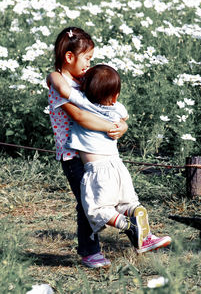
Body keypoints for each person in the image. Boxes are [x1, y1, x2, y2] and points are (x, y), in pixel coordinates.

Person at [48, 64, 172, 255]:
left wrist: (52, 76)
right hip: (118, 166)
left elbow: (62, 88)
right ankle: (142, 228)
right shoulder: (118, 109)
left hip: (97, 169)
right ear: (115, 96)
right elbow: (124, 119)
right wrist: (123, 126)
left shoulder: (83, 103)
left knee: (96, 209)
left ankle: (128, 225)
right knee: (126, 203)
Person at [47, 26, 128, 268]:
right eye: (87, 59)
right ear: (69, 57)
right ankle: (89, 251)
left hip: (95, 153)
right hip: (73, 155)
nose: (89, 65)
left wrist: (121, 125)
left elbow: (108, 103)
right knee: (86, 201)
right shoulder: (59, 84)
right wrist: (108, 126)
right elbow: (81, 117)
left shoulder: (83, 80)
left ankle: (134, 232)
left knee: (104, 196)